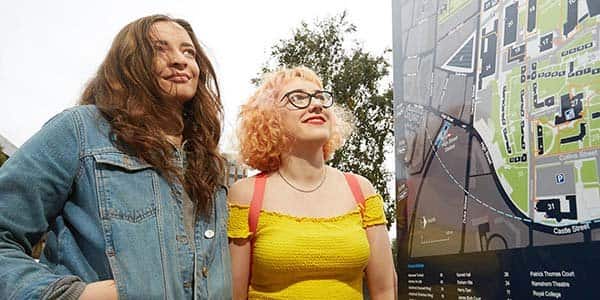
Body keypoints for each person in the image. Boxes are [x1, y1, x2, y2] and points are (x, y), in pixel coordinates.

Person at [0, 14, 231, 299]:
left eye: (188, 52)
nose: (180, 60)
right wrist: (72, 295)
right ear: (129, 63)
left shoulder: (206, 157)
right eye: (159, 49)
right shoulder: (81, 130)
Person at [228, 66, 397, 299]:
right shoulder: (245, 195)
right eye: (297, 98)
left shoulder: (361, 190)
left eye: (320, 97)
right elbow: (233, 295)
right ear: (270, 118)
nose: (315, 104)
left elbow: (385, 290)